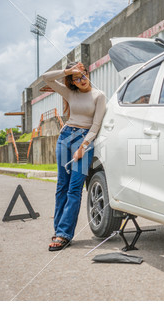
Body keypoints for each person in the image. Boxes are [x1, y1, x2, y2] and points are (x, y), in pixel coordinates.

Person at [42, 62, 106, 251]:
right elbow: (46, 78)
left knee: (74, 188)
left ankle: (64, 234)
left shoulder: (98, 95)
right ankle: (59, 230)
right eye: (76, 79)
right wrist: (68, 71)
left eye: (83, 75)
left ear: (88, 73)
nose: (81, 80)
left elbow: (95, 125)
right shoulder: (71, 93)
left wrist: (83, 147)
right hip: (65, 137)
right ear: (72, 82)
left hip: (83, 140)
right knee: (62, 186)